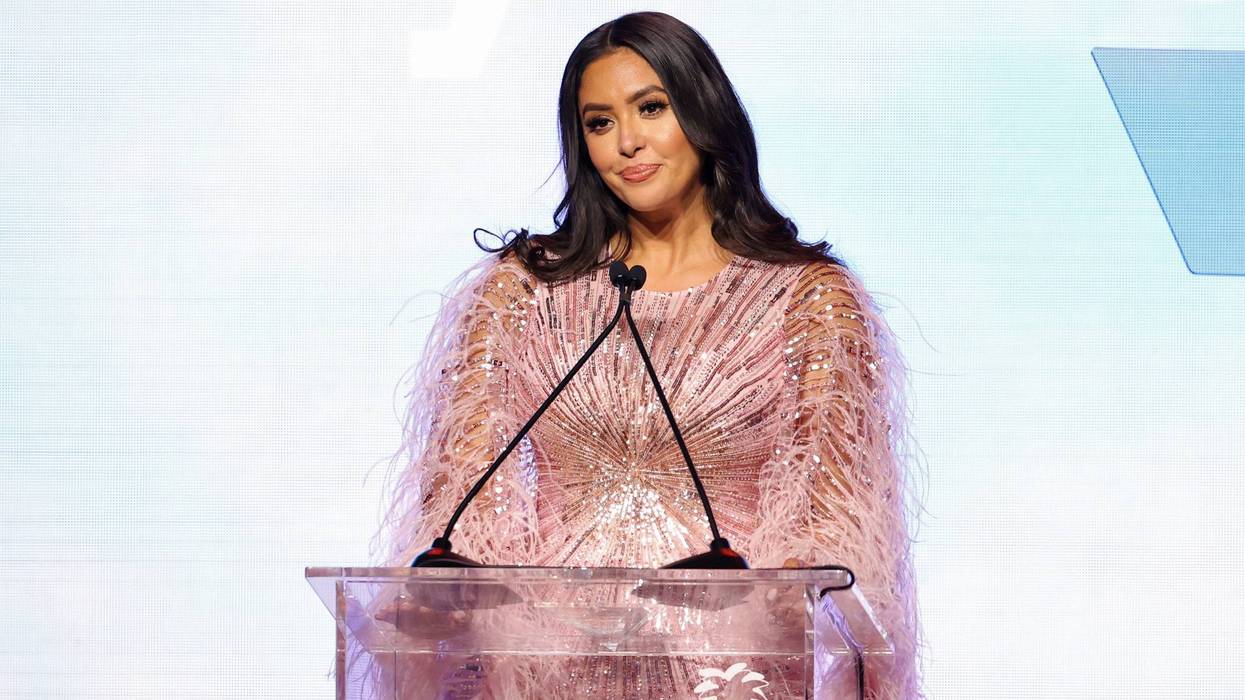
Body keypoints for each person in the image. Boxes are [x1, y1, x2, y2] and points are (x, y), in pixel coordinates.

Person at [378, 11, 921, 699]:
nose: (626, 143)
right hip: (546, 676)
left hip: (731, 677)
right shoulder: (522, 290)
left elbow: (829, 528)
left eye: (651, 108)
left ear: (704, 113)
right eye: (598, 123)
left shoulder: (807, 299)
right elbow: (453, 509)